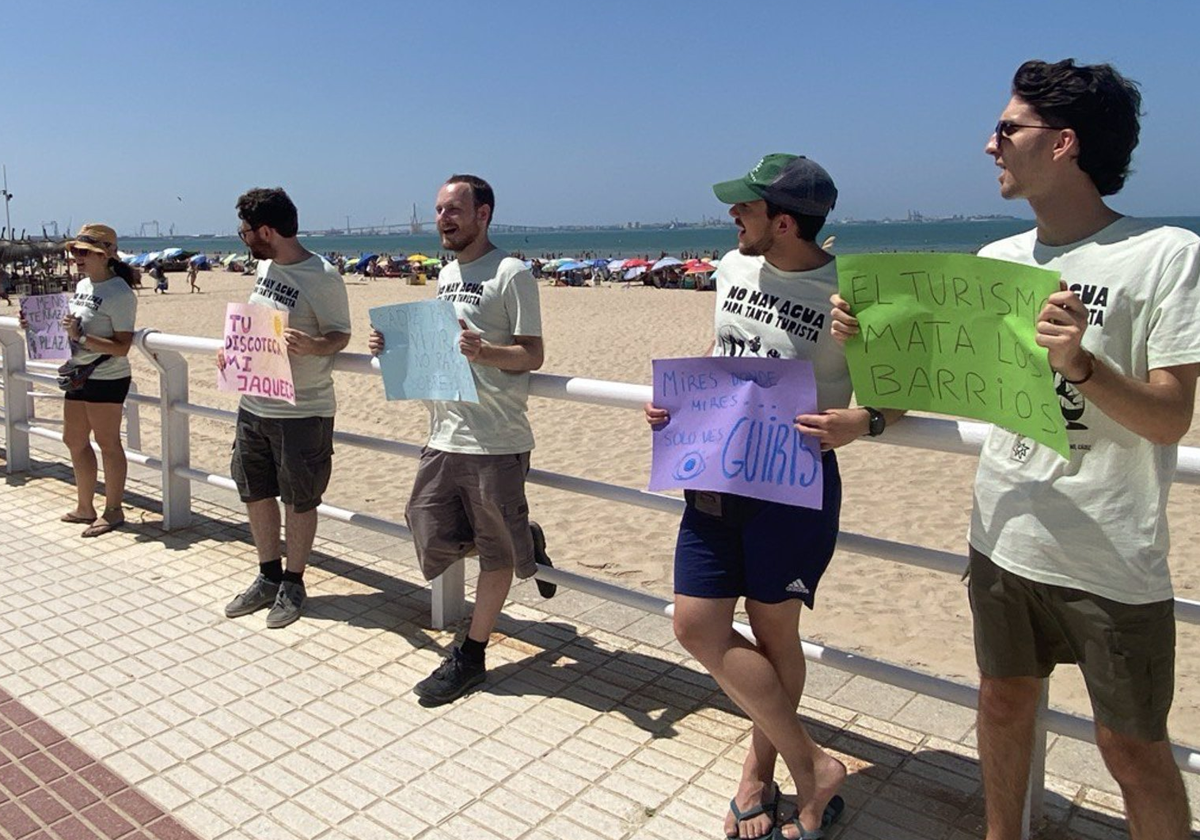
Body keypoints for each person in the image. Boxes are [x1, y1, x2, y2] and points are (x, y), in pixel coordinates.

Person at [833, 60, 1199, 840]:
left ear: (1063, 142)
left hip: (1112, 556)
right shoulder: (997, 265)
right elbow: (930, 386)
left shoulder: (1164, 253)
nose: (989, 145)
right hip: (1003, 537)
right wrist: (870, 347)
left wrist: (1083, 364)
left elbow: (1170, 420)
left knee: (1131, 750)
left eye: (1006, 129)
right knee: (1002, 705)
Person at [645, 155, 901, 840]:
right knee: (695, 624)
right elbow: (725, 345)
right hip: (715, 469)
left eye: (746, 208)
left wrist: (862, 421)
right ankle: (811, 763)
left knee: (774, 632)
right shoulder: (732, 267)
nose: (732, 217)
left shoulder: (854, 292)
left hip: (792, 483)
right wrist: (679, 402)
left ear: (784, 221)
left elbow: (901, 390)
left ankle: (756, 777)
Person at [368, 174, 555, 707]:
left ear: (484, 214)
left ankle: (471, 656)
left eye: (453, 210)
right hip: (443, 430)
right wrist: (394, 344)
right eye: (438, 210)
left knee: (493, 552)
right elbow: (438, 346)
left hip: (495, 436)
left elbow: (532, 355)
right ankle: (525, 537)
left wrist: (486, 352)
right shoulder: (447, 272)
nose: (443, 219)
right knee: (426, 525)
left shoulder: (511, 273)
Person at [221, 188, 351, 629]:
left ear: (266, 230)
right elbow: (258, 325)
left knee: (299, 498)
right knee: (254, 490)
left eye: (244, 231)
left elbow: (339, 335)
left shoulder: (323, 275)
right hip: (254, 403)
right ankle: (267, 574)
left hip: (302, 409)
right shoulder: (264, 266)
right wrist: (232, 352)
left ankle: (293, 582)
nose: (242, 238)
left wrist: (315, 345)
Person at [23, 224, 138, 537]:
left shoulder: (119, 293)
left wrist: (83, 337)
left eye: (83, 252)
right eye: (74, 251)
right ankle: (85, 506)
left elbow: (122, 347)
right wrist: (37, 323)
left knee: (108, 443)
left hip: (106, 375)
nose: (76, 257)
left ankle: (113, 510)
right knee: (73, 439)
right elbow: (68, 327)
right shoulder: (85, 285)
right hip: (79, 373)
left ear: (105, 254)